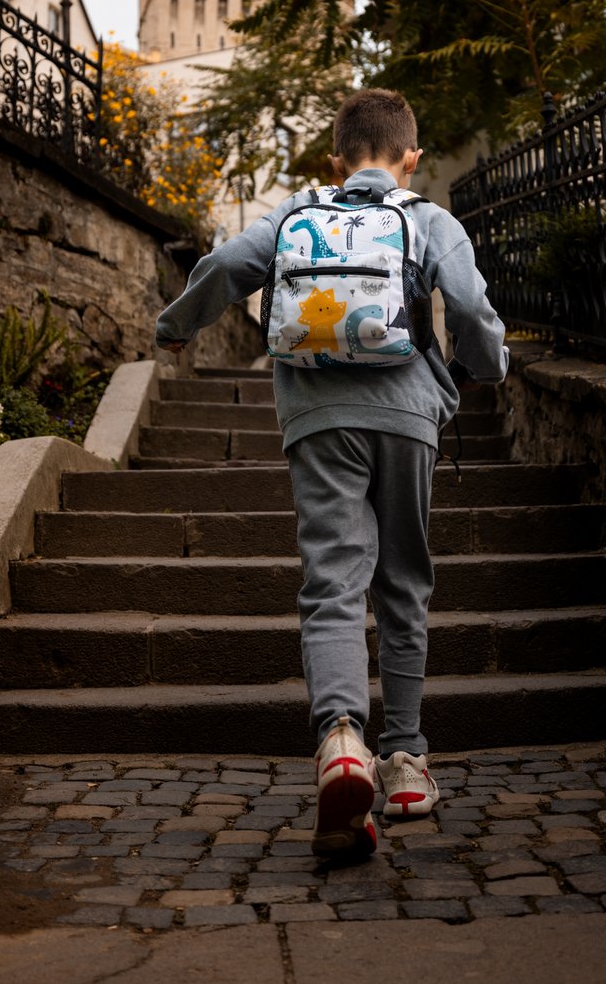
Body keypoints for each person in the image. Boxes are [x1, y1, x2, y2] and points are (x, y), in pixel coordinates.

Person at [155, 88, 508, 858]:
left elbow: (224, 265)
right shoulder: (428, 217)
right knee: (405, 582)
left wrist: (174, 326)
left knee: (333, 582)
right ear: (410, 157)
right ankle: (407, 761)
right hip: (409, 415)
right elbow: (476, 314)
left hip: (318, 421)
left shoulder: (294, 213)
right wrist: (483, 369)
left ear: (336, 157)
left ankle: (342, 740)